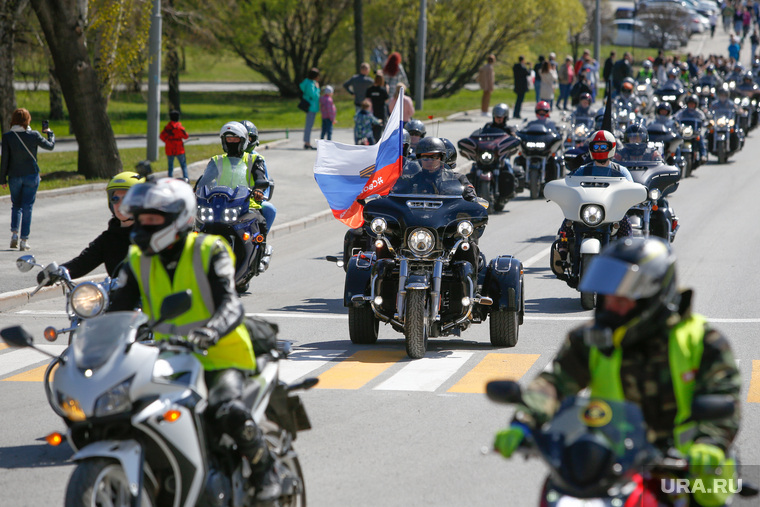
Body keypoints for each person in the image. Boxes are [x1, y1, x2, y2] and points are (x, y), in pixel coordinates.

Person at [495, 237, 741, 507]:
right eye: (609, 293)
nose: (612, 303)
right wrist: (525, 419)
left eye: (623, 295)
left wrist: (709, 442)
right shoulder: (591, 339)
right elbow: (556, 382)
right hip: (614, 465)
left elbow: (723, 394)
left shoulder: (703, 341)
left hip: (689, 468)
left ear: (653, 293)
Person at [108, 177, 283, 504]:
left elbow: (230, 303)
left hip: (220, 355)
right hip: (166, 360)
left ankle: (265, 469)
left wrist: (211, 331)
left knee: (225, 410)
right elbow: (114, 312)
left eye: (152, 220)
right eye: (141, 218)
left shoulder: (208, 249)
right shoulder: (137, 259)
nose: (144, 226)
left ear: (177, 218)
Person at [37, 172, 145, 287]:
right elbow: (82, 263)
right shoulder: (108, 238)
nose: (120, 204)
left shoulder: (151, 235)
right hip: (120, 298)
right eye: (115, 199)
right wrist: (57, 272)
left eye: (126, 198)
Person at [196, 122, 268, 234]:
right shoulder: (216, 160)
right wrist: (196, 190)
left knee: (259, 222)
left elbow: (260, 177)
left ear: (243, 141)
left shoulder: (254, 159)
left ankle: (261, 249)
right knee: (198, 225)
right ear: (224, 141)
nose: (232, 142)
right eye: (229, 139)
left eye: (236, 139)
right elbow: (204, 180)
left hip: (247, 204)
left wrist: (259, 189)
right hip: (220, 204)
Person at [0, 107, 55, 251]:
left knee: (16, 205)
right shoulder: (34, 135)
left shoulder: (7, 137)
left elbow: (4, 159)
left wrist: (2, 179)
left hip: (14, 176)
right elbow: (50, 147)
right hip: (31, 176)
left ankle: (14, 235)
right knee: (27, 207)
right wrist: (50, 134)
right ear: (27, 120)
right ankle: (24, 241)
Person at [393, 137, 476, 201]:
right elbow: (395, 195)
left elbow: (471, 196)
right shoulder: (411, 181)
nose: (429, 161)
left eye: (434, 157)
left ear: (441, 158)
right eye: (425, 157)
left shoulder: (457, 179)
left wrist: (473, 199)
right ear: (419, 160)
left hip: (448, 220)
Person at [240, 120, 277, 231]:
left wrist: (260, 192)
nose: (247, 141)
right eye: (243, 138)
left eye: (249, 138)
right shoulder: (223, 159)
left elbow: (264, 179)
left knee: (270, 209)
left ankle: (262, 241)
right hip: (229, 200)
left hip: (251, 200)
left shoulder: (257, 159)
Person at [674, 95, 707, 160]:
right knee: (677, 140)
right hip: (684, 131)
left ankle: (703, 155)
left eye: (693, 104)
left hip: (694, 132)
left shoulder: (699, 113)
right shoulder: (682, 112)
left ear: (696, 105)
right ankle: (676, 157)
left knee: (700, 138)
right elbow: (675, 117)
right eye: (690, 104)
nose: (691, 105)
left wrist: (705, 123)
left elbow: (704, 120)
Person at [159, 110, 189, 180]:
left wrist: (167, 141)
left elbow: (161, 136)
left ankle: (170, 179)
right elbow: (186, 136)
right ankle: (186, 179)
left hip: (169, 149)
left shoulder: (167, 128)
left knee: (170, 166)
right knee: (183, 165)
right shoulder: (180, 128)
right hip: (179, 149)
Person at [299, 67, 320, 150]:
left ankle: (307, 142)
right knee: (309, 125)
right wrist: (317, 88)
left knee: (309, 125)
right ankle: (307, 143)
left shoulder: (306, 82)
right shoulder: (311, 84)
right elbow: (314, 95)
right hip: (311, 106)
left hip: (310, 105)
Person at [366, 74, 390, 142]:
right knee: (380, 130)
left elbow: (367, 101)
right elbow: (387, 100)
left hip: (372, 112)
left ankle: (373, 142)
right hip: (381, 112)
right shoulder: (382, 90)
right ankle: (378, 143)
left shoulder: (369, 89)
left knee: (373, 130)